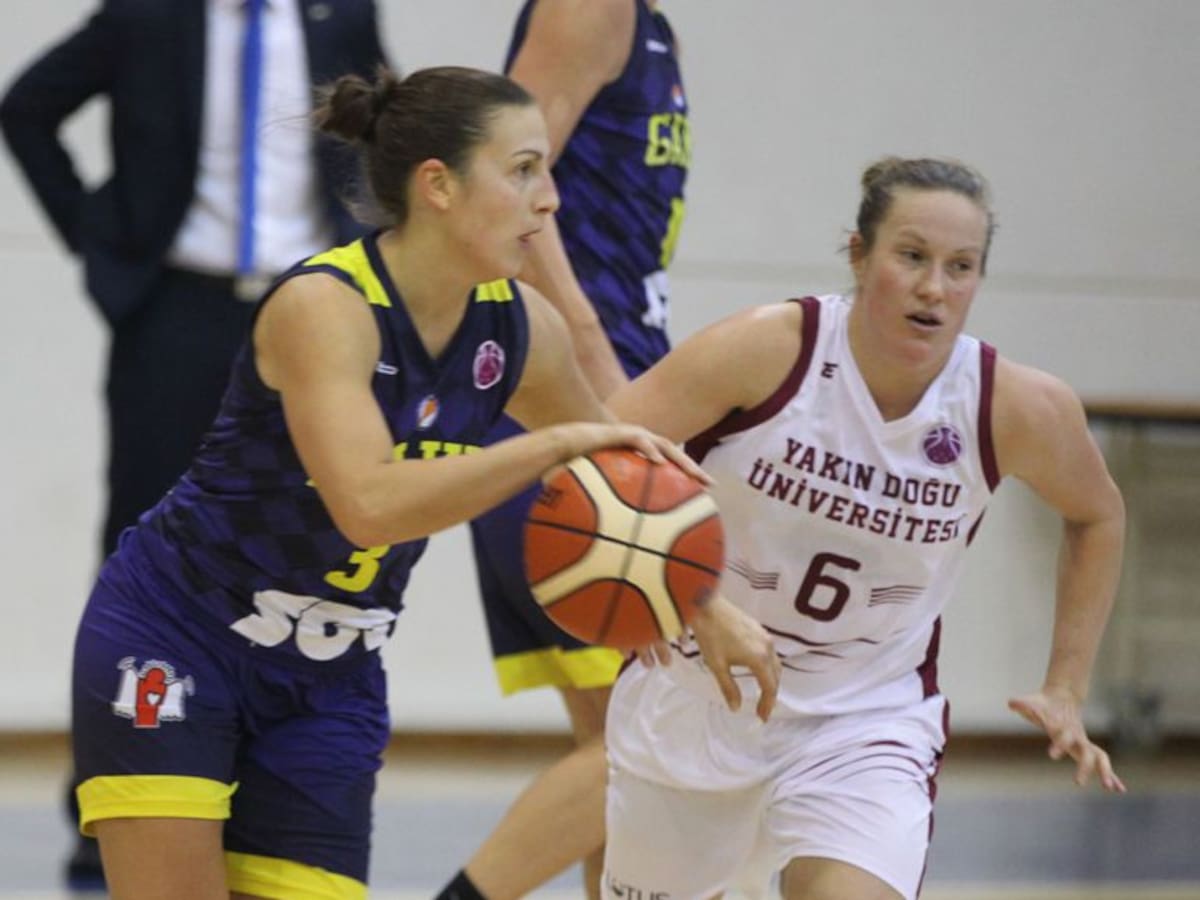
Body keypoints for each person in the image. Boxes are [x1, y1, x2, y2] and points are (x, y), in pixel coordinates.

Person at [66, 64, 768, 900]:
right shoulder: (325, 307)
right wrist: (550, 445)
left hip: (331, 676)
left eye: (546, 170)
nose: (550, 200)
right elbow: (368, 505)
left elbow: (617, 481)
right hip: (181, 635)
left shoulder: (521, 328)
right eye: (523, 171)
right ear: (438, 185)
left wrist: (704, 606)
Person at [599, 157, 1128, 900]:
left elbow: (1097, 514)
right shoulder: (766, 350)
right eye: (911, 256)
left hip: (863, 723)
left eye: (960, 266)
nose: (934, 287)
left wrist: (1066, 686)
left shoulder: (1011, 406)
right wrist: (692, 601)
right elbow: (593, 458)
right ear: (859, 254)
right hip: (693, 701)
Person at [0, 1, 388, 887]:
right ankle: (108, 803)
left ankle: (260, 791)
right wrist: (100, 240)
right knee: (139, 547)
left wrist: (370, 257)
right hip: (177, 310)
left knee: (313, 545)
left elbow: (385, 129)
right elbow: (26, 106)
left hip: (316, 310)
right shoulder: (149, 14)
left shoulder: (340, 13)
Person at [438, 3, 691, 898]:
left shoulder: (650, 26)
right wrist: (593, 359)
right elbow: (508, 174)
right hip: (564, 405)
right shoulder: (592, 7)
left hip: (585, 396)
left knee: (625, 750)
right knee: (662, 727)